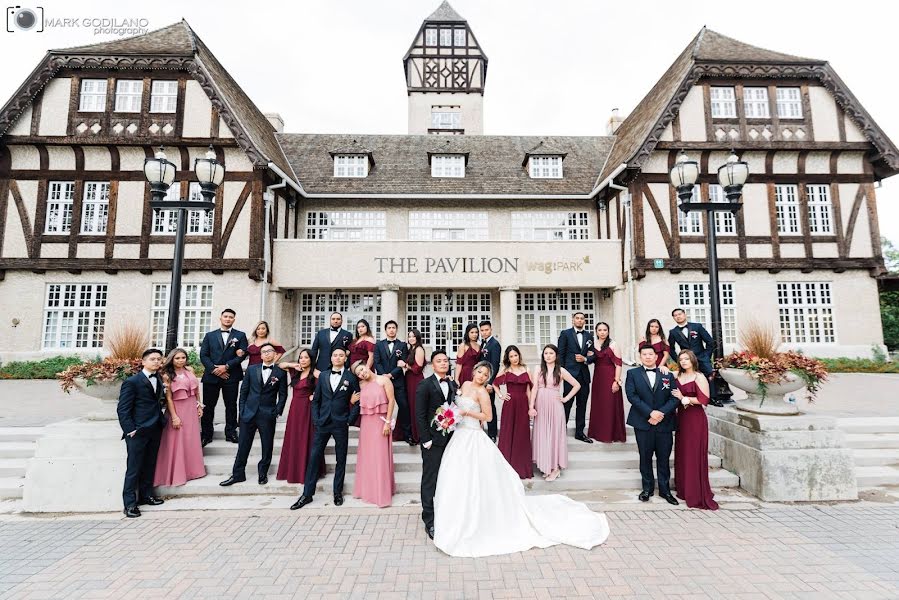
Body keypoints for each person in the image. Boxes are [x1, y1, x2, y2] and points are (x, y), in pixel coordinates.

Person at [432, 361, 609, 557]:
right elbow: (454, 405)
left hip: (473, 435)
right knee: (457, 476)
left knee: (478, 477)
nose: (481, 377)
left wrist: (467, 412)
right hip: (459, 437)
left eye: (485, 375)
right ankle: (455, 516)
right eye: (479, 372)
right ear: (473, 372)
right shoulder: (464, 385)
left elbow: (488, 417)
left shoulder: (483, 393)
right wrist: (450, 416)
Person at [290, 347, 361, 509]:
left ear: (345, 358)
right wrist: (316, 419)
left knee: (340, 459)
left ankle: (337, 493)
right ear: (330, 358)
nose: (337, 357)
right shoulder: (323, 376)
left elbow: (358, 400)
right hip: (322, 422)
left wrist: (349, 420)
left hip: (340, 423)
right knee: (314, 457)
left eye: (341, 355)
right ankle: (307, 494)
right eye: (335, 355)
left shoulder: (350, 377)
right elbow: (316, 400)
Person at [219, 343, 288, 487]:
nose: (267, 354)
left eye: (270, 351)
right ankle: (238, 474)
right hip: (248, 413)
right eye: (264, 352)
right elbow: (243, 392)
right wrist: (242, 411)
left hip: (267, 414)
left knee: (267, 445)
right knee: (243, 445)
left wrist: (276, 411)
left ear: (275, 354)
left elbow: (283, 395)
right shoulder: (251, 370)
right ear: (261, 355)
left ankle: (263, 473)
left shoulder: (280, 373)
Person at [625, 343, 681, 505]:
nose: (648, 357)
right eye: (644, 354)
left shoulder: (667, 375)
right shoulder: (632, 373)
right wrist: (650, 413)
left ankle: (665, 491)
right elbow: (632, 396)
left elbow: (674, 397)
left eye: (651, 354)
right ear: (640, 357)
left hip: (664, 423)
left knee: (664, 458)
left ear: (656, 357)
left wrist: (660, 413)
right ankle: (647, 489)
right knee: (645, 457)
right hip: (643, 422)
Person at [117, 348, 166, 518]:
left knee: (149, 465)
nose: (156, 362)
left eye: (159, 359)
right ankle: (129, 504)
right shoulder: (132, 382)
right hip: (137, 431)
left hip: (155, 429)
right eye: (152, 359)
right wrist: (130, 430)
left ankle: (146, 496)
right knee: (134, 468)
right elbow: (123, 409)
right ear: (143, 362)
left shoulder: (159, 379)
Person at [416, 350, 456, 540]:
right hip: (433, 440)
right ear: (433, 365)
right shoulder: (424, 385)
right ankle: (429, 520)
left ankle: (446, 513)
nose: (443, 363)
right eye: (439, 361)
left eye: (445, 360)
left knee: (447, 477)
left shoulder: (452, 383)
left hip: (452, 439)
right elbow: (420, 415)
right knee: (430, 478)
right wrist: (425, 440)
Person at [672, 350, 719, 510]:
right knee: (683, 453)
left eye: (687, 359)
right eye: (681, 359)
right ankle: (684, 489)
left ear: (692, 360)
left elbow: (704, 399)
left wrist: (684, 398)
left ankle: (696, 491)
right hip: (682, 419)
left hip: (695, 419)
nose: (684, 361)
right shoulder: (678, 376)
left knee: (694, 453)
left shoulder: (699, 377)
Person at [154, 348, 206, 487]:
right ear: (172, 359)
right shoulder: (166, 375)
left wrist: (199, 405)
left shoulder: (190, 370)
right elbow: (169, 398)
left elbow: (196, 390)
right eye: (177, 358)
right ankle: (177, 474)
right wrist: (175, 417)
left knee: (191, 439)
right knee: (177, 440)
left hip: (191, 408)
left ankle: (193, 471)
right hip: (177, 409)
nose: (181, 360)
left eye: (183, 357)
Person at [530, 345, 580, 481]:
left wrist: (565, 398)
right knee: (543, 434)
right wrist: (531, 406)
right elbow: (534, 388)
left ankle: (556, 468)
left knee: (554, 435)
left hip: (555, 405)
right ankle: (546, 466)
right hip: (540, 405)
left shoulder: (561, 370)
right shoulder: (538, 369)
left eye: (551, 353)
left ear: (556, 355)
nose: (548, 355)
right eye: (545, 353)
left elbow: (577, 385)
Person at [199, 309, 248, 445]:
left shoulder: (241, 335)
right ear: (220, 318)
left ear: (234, 319)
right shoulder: (209, 335)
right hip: (211, 376)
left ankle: (231, 433)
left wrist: (226, 367)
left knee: (231, 405)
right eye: (225, 316)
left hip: (231, 376)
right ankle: (206, 434)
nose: (228, 319)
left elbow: (242, 355)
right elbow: (203, 355)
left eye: (231, 317)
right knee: (208, 406)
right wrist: (215, 369)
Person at [351, 360, 396, 508]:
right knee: (368, 456)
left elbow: (391, 401)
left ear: (368, 366)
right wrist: (351, 401)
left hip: (380, 422)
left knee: (380, 456)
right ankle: (368, 491)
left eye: (362, 369)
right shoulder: (362, 385)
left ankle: (381, 493)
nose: (362, 373)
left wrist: (387, 422)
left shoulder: (383, 380)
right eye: (359, 374)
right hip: (366, 424)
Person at [276, 349, 324, 485]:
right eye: (301, 357)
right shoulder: (295, 371)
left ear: (311, 359)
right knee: (294, 437)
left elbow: (326, 384)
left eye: (306, 358)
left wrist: (315, 396)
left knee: (307, 437)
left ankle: (307, 471)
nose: (303, 360)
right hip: (294, 409)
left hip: (308, 409)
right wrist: (293, 365)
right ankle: (292, 470)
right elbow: (280, 365)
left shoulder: (315, 374)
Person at [668, 308, 722, 407]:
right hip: (687, 360)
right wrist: (679, 359)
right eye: (675, 315)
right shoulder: (673, 332)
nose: (678, 316)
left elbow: (710, 342)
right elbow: (670, 348)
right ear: (673, 318)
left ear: (684, 315)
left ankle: (713, 398)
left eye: (680, 314)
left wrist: (706, 355)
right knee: (689, 378)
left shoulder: (697, 326)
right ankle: (692, 397)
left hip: (701, 357)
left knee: (709, 376)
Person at [493, 346, 533, 479]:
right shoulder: (505, 370)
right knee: (508, 432)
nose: (514, 358)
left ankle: (522, 468)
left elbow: (529, 390)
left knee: (522, 434)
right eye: (511, 356)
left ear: (519, 355)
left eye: (516, 355)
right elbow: (494, 384)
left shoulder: (526, 369)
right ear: (507, 358)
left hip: (523, 404)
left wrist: (531, 407)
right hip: (510, 405)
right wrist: (501, 395)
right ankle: (506, 468)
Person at [374, 321, 414, 445]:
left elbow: (403, 361)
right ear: (385, 330)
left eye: (393, 328)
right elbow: (377, 362)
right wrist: (385, 376)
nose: (391, 330)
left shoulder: (402, 345)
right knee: (382, 407)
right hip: (382, 381)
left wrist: (391, 374)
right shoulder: (379, 345)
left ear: (396, 330)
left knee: (404, 406)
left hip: (398, 381)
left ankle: (407, 435)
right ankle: (379, 434)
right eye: (389, 328)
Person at [557, 311, 594, 443]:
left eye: (582, 319)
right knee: (567, 403)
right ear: (573, 320)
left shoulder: (589, 336)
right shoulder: (565, 334)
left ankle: (579, 432)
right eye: (577, 318)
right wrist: (561, 372)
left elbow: (594, 355)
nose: (579, 320)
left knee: (582, 405)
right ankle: (561, 431)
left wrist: (585, 359)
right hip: (569, 375)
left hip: (584, 376)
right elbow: (560, 354)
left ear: (584, 321)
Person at [586, 322, 625, 443]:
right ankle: (598, 432)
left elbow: (618, 364)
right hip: (598, 378)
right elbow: (590, 359)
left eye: (605, 330)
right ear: (596, 332)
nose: (602, 332)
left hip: (610, 376)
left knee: (610, 404)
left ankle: (611, 434)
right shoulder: (593, 344)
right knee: (599, 405)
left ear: (608, 331)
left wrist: (616, 381)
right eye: (600, 330)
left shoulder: (613, 344)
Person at [397, 328, 426, 444]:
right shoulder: (411, 349)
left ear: (418, 337)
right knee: (407, 405)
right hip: (408, 379)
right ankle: (406, 433)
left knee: (415, 406)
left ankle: (416, 434)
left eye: (413, 336)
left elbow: (418, 369)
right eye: (409, 336)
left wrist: (405, 365)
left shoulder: (419, 349)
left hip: (416, 380)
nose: (411, 338)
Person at [478, 320, 502, 443]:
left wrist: (490, 382)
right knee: (480, 406)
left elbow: (495, 365)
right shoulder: (483, 343)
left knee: (490, 406)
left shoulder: (494, 344)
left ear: (491, 330)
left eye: (486, 330)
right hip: (481, 380)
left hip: (488, 382)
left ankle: (492, 433)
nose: (484, 332)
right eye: (482, 330)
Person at [310, 312, 353, 377]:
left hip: (340, 368)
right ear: (330, 320)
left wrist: (347, 366)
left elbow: (350, 352)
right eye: (333, 319)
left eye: (338, 319)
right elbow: (314, 351)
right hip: (321, 368)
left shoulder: (348, 334)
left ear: (342, 321)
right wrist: (313, 368)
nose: (335, 321)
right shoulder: (321, 333)